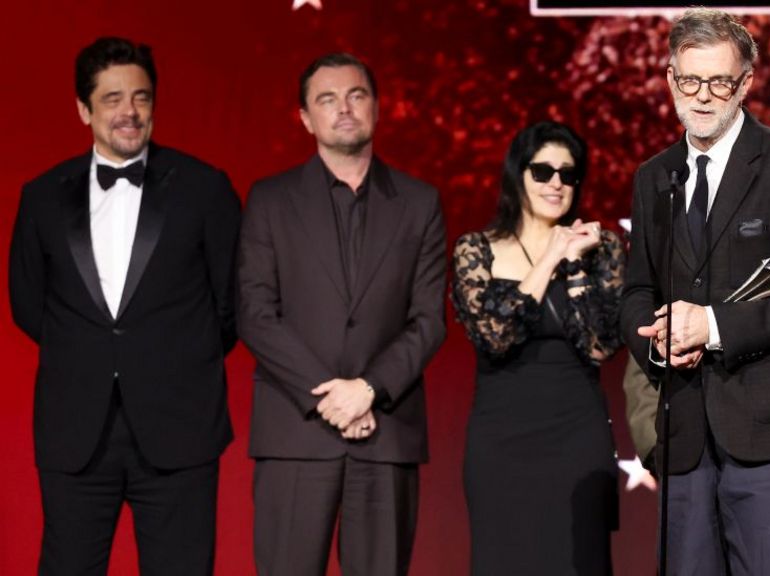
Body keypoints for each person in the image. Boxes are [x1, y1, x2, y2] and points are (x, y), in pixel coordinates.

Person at [619, 8, 770, 575]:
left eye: (720, 82)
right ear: (670, 78)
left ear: (746, 82)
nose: (703, 97)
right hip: (686, 439)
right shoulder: (655, 177)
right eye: (690, 80)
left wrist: (713, 327)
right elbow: (636, 291)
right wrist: (658, 341)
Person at [8, 37, 240, 575]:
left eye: (140, 97)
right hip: (75, 434)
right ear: (84, 110)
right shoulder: (41, 196)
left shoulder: (205, 188)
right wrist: (90, 352)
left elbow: (231, 305)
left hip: (179, 429)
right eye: (112, 99)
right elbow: (28, 304)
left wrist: (166, 357)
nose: (129, 112)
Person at [237, 52, 446, 576]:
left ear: (376, 107)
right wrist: (332, 396)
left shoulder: (420, 203)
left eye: (355, 95)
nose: (344, 108)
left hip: (386, 432)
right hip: (296, 435)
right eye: (326, 99)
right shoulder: (270, 199)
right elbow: (255, 314)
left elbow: (428, 319)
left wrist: (368, 389)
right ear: (306, 118)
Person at [451, 120, 623, 575]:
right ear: (518, 174)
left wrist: (576, 265)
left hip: (577, 437)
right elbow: (495, 336)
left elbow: (601, 346)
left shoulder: (600, 247)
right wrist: (548, 257)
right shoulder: (476, 249)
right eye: (543, 171)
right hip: (501, 441)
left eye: (568, 174)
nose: (556, 183)